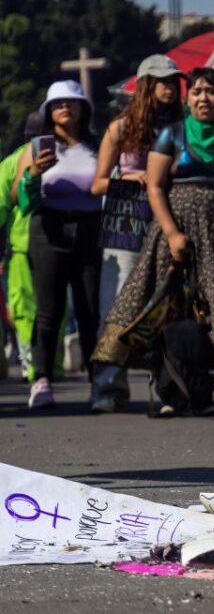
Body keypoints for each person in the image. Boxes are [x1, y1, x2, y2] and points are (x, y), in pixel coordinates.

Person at [92, 67, 214, 416]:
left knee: (213, 309)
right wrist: (172, 233)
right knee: (168, 308)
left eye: (210, 92)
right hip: (173, 228)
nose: (202, 98)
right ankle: (170, 392)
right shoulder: (172, 134)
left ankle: (202, 393)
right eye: (196, 92)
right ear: (188, 98)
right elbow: (154, 186)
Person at [88, 54, 184, 412]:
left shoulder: (183, 127)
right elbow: (97, 184)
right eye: (162, 81)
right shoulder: (121, 128)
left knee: (165, 306)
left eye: (174, 81)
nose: (170, 87)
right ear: (145, 86)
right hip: (125, 225)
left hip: (167, 222)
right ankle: (108, 386)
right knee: (116, 304)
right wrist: (128, 177)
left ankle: (166, 388)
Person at [12, 80, 102, 409]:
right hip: (48, 228)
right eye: (57, 104)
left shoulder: (97, 145)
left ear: (83, 109)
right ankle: (41, 380)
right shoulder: (35, 147)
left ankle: (98, 381)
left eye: (72, 103)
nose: (65, 108)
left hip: (91, 230)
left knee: (90, 310)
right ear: (48, 111)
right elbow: (22, 201)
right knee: (48, 312)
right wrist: (34, 174)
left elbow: (109, 184)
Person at [0, 112, 65, 383]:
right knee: (50, 311)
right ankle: (49, 367)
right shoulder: (17, 163)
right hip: (38, 247)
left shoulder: (11, 162)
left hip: (29, 247)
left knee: (32, 311)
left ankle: (37, 368)